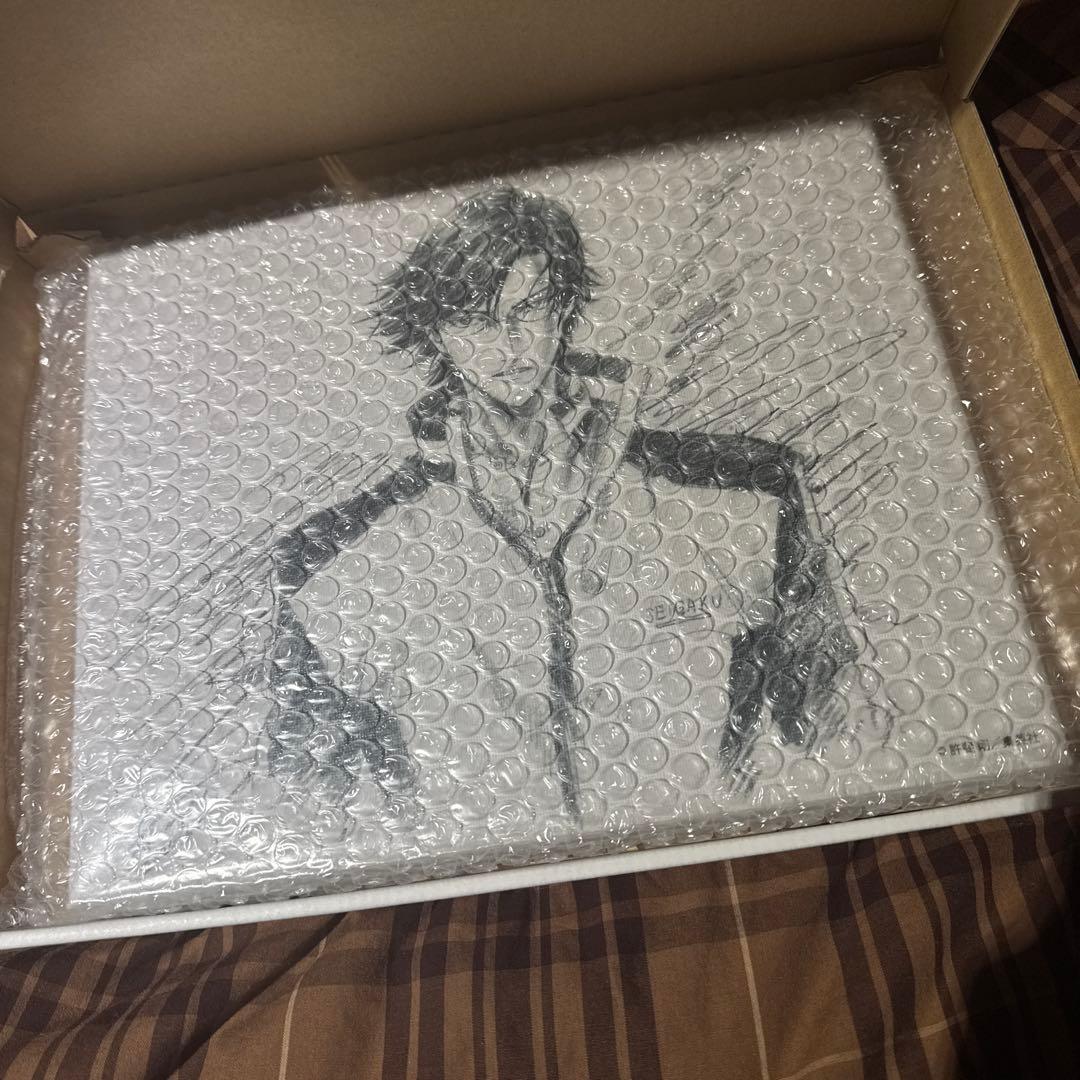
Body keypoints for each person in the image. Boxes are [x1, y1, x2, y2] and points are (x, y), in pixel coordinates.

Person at [267, 186, 856, 816]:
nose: (509, 342)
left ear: (565, 305)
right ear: (436, 334)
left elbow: (834, 725)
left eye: (529, 308)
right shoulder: (333, 561)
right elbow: (316, 799)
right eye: (475, 320)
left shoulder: (749, 492)